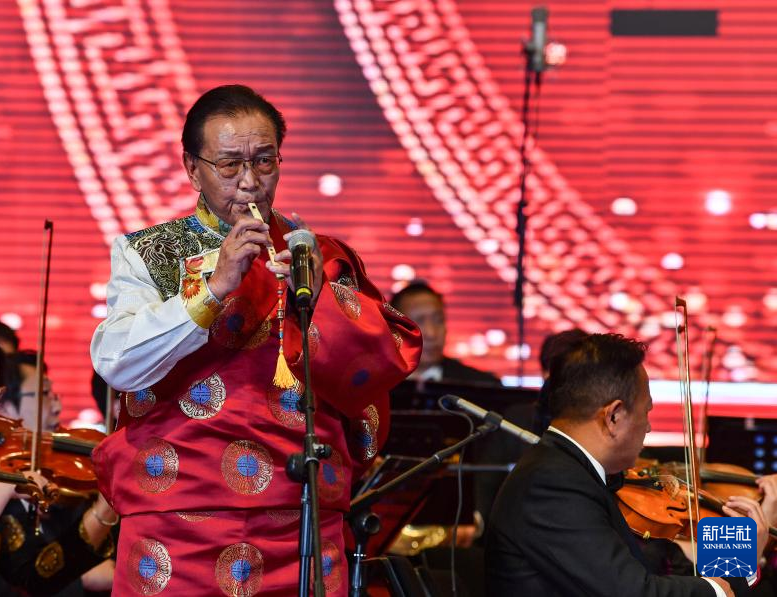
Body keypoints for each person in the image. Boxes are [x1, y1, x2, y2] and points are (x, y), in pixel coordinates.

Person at [90, 84, 421, 595]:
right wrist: (213, 289)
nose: (249, 182)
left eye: (264, 161)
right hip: (176, 525)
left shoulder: (321, 256)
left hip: (302, 520)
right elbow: (117, 362)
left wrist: (324, 302)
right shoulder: (151, 252)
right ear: (192, 168)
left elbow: (372, 384)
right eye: (229, 165)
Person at [485, 333, 769, 597]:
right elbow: (634, 591)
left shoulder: (582, 475)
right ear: (614, 416)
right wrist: (720, 589)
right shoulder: (552, 484)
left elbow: (668, 569)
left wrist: (741, 560)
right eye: (646, 411)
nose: (648, 427)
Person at [0, 350, 116, 596]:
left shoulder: (60, 481)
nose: (57, 406)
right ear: (3, 407)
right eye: (44, 395)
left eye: (54, 394)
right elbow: (28, 580)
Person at [390, 281, 499, 385]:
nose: (431, 333)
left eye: (438, 320)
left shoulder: (482, 386)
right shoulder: (381, 384)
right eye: (418, 322)